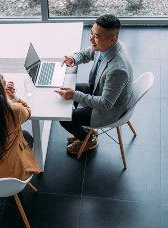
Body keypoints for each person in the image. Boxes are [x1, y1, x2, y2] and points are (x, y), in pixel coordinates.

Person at [56, 14, 133, 155]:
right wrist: (73, 58)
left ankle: (89, 138)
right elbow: (87, 53)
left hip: (109, 110)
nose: (91, 38)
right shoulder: (108, 46)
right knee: (65, 91)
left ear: (112, 39)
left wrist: (75, 95)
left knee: (64, 117)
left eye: (96, 36)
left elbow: (105, 104)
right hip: (98, 89)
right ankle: (80, 128)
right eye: (91, 33)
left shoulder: (118, 69)